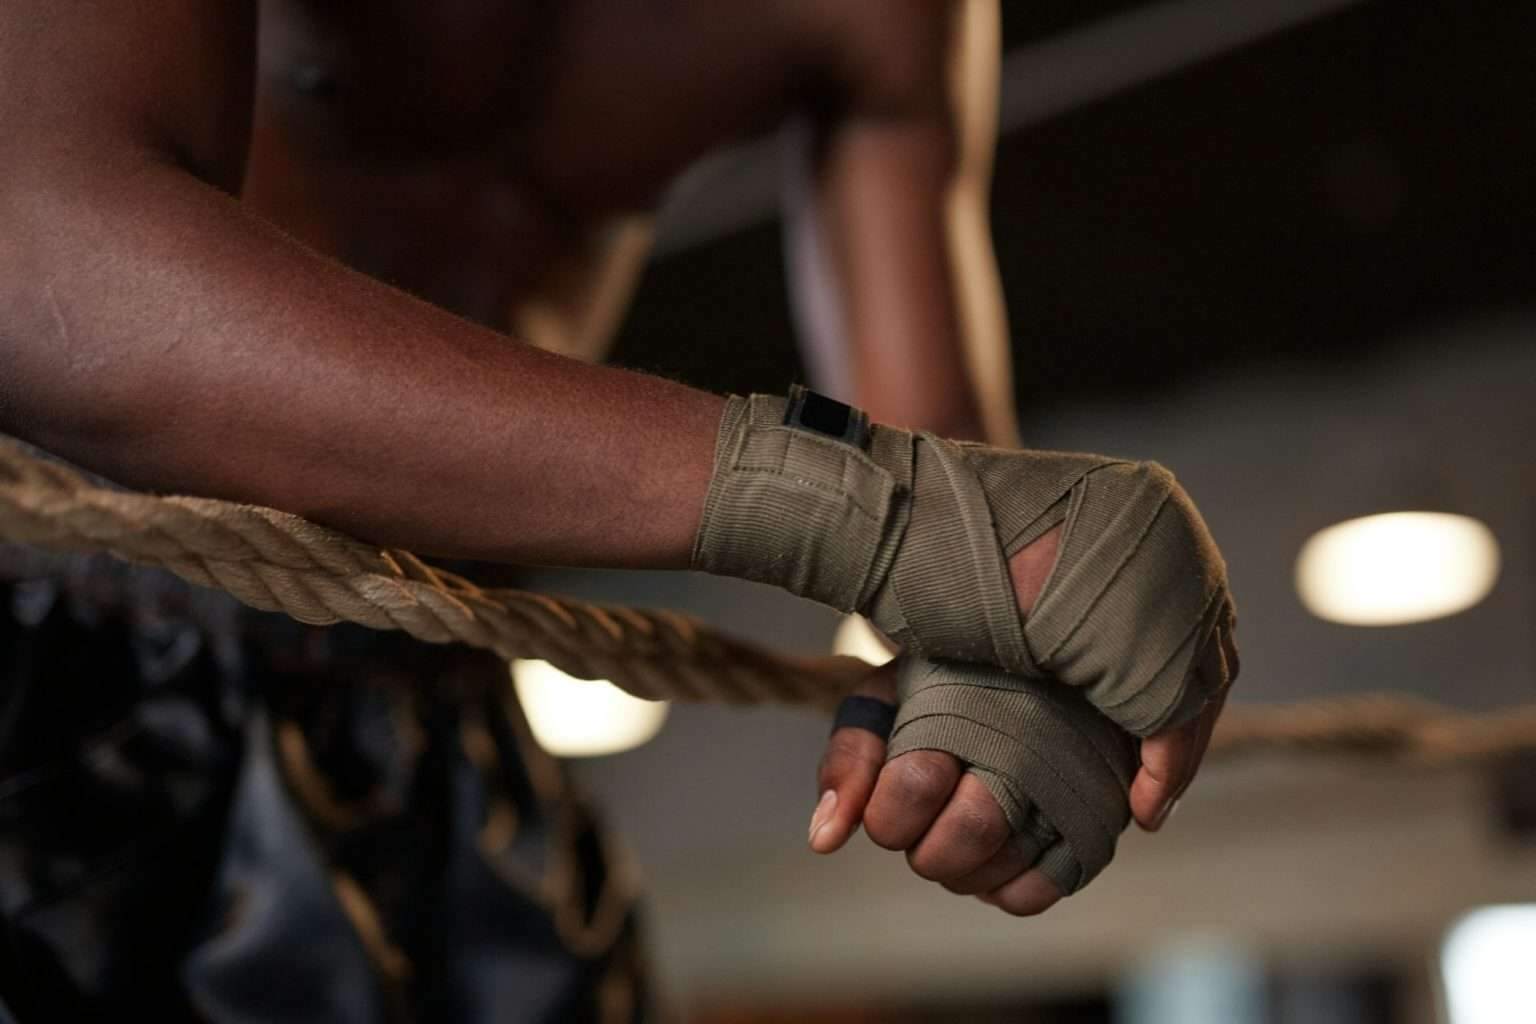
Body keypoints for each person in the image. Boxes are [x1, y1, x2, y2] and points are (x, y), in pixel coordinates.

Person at [0, 1, 1236, 1019]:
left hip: (435, 678)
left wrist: (1004, 689)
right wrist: (847, 505)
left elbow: (955, 519)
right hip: (53, 637)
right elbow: (42, 249)